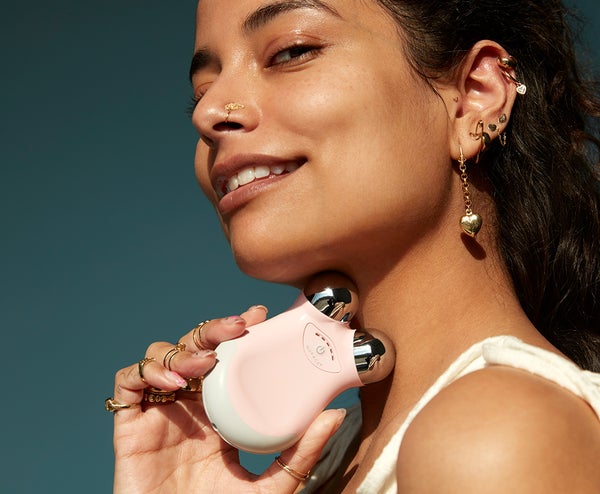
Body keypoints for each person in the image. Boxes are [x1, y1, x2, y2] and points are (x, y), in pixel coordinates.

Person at [106, 0, 600, 492]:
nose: (209, 113)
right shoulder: (332, 464)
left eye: (291, 52)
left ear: (474, 98)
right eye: (202, 91)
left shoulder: (494, 434)